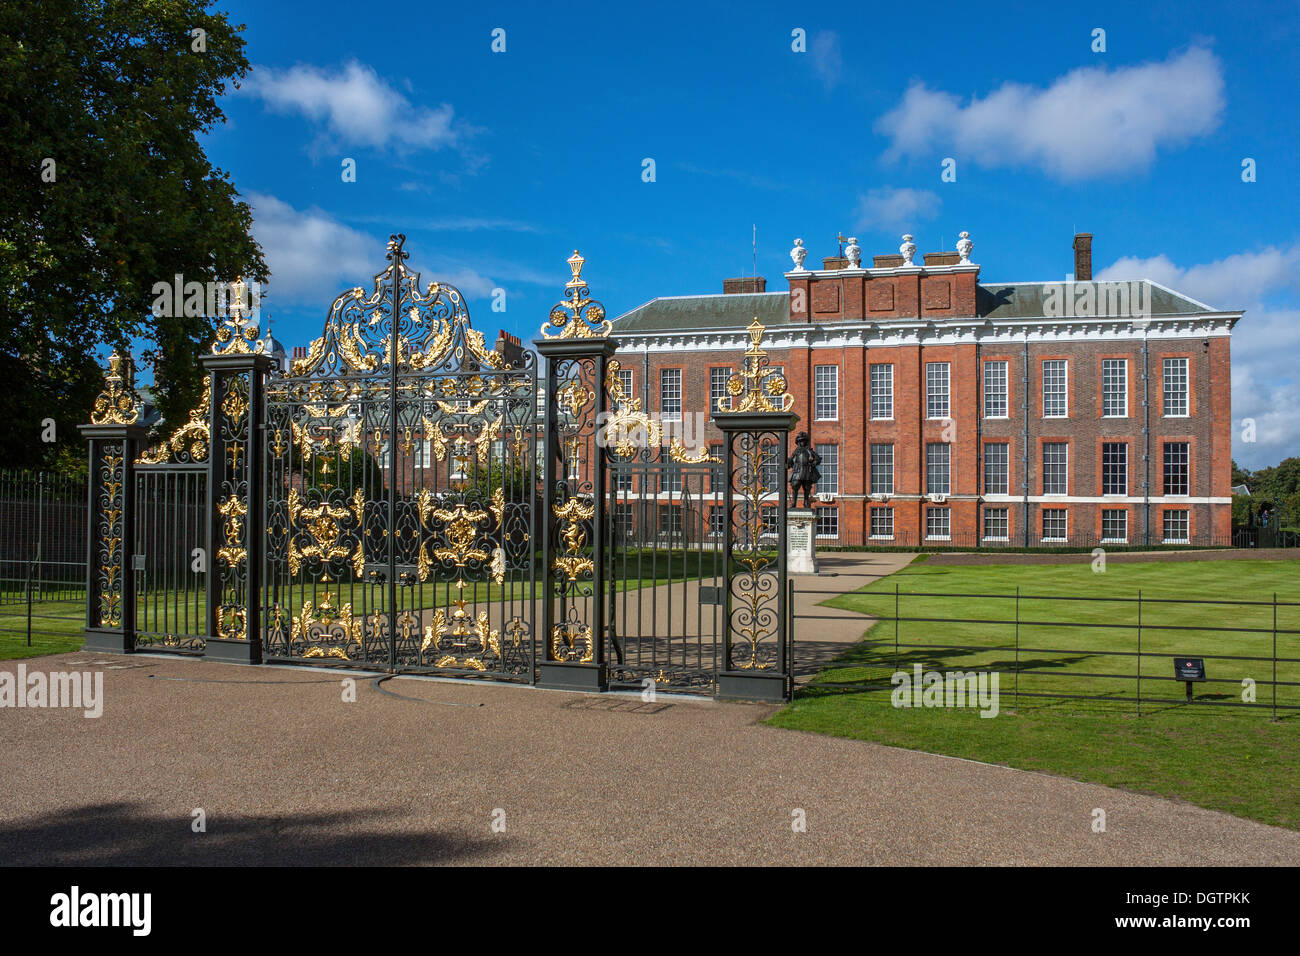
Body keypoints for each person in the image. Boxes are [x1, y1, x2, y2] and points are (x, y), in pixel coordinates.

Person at [786, 431, 821, 508]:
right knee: (795, 485)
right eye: (800, 441)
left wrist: (813, 463)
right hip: (797, 471)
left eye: (803, 440)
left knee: (807, 488)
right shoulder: (796, 451)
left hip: (806, 471)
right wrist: (788, 463)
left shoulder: (809, 450)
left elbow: (818, 459)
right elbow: (791, 461)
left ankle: (806, 502)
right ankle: (794, 503)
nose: (802, 442)